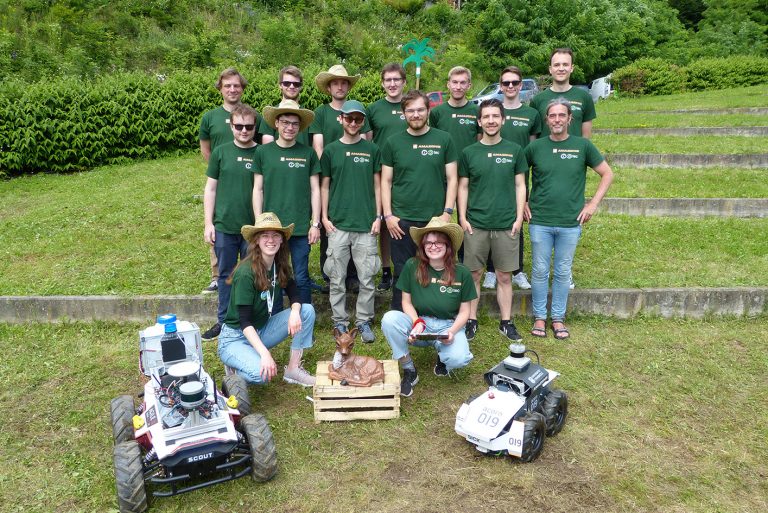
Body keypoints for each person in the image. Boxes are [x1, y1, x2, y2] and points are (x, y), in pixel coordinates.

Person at [524, 99, 613, 340]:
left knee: (563, 271)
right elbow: (519, 175)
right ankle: (540, 317)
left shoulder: (582, 146)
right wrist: (522, 202)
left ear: (569, 119)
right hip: (540, 220)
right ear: (546, 119)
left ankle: (558, 318)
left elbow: (607, 173)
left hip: (570, 222)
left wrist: (593, 204)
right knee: (540, 270)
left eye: (561, 115)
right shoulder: (535, 148)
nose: (557, 120)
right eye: (552, 116)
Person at [217, 212, 316, 386]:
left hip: (261, 329)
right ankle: (234, 368)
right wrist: (265, 354)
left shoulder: (279, 264)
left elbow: (294, 292)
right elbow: (244, 322)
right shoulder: (246, 272)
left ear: (281, 240)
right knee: (262, 375)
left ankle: (293, 369)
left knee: (306, 310)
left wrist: (294, 311)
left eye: (275, 235)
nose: (270, 240)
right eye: (265, 235)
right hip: (236, 337)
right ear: (256, 240)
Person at [381, 90, 458, 312]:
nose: (416, 114)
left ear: (428, 110)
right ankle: (400, 315)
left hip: (434, 219)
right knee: (403, 269)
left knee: (436, 266)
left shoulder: (444, 139)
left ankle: (436, 312)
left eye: (420, 110)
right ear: (403, 113)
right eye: (410, 110)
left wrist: (447, 212)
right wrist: (388, 215)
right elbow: (386, 181)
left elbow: (452, 178)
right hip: (401, 219)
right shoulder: (392, 142)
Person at [381, 218, 475, 397]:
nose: (433, 246)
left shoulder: (462, 272)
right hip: (420, 324)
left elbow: (465, 312)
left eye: (438, 242)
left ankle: (443, 357)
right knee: (389, 319)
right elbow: (406, 302)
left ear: (448, 246)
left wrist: (452, 332)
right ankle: (409, 368)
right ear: (423, 246)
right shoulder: (412, 266)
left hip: (448, 325)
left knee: (459, 359)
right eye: (429, 242)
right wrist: (417, 322)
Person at [457, 99, 527, 343]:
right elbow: (463, 186)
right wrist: (462, 217)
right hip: (475, 223)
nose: (491, 121)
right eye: (486, 117)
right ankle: (471, 320)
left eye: (495, 116)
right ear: (479, 121)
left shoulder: (514, 150)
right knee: (474, 275)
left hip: (507, 223)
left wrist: (519, 217)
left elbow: (520, 184)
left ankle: (506, 322)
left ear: (503, 119)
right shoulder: (468, 152)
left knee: (505, 276)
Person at [320, 100, 381, 343]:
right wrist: (324, 217)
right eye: (349, 118)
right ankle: (340, 323)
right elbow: (324, 185)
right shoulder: (331, 150)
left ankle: (364, 321)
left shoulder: (372, 150)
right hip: (338, 224)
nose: (353, 123)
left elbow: (378, 185)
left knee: (367, 278)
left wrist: (378, 217)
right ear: (341, 119)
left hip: (366, 225)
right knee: (337, 278)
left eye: (358, 119)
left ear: (363, 122)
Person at [309, 65, 372, 293]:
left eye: (344, 82)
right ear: (329, 87)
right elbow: (318, 146)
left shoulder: (358, 111)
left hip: (356, 173)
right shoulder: (321, 113)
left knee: (356, 225)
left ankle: (354, 275)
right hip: (331, 172)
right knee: (332, 225)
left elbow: (367, 140)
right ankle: (331, 274)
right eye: (335, 82)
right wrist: (326, 171)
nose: (339, 86)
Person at [253, 99, 320, 305]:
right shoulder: (263, 152)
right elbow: (258, 188)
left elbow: (315, 189)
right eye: (285, 122)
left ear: (299, 127)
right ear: (276, 124)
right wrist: (259, 223)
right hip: (272, 227)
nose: (289, 127)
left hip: (300, 226)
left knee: (300, 276)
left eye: (294, 123)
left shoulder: (307, 153)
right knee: (272, 274)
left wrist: (315, 223)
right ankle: (273, 318)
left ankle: (305, 320)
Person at [201, 103, 258, 342]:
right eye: (239, 126)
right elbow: (210, 189)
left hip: (252, 229)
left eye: (249, 126)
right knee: (225, 274)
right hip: (224, 225)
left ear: (255, 127)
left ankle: (251, 322)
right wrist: (208, 223)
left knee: (252, 275)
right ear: (231, 126)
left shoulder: (262, 152)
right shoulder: (221, 152)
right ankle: (224, 321)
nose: (244, 131)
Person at [199, 67, 250, 298]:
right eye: (227, 85)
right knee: (219, 226)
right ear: (220, 87)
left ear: (242, 88)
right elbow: (206, 149)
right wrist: (220, 170)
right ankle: (216, 276)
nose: (232, 89)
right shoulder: (210, 117)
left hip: (246, 178)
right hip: (220, 175)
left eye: (236, 85)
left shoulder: (250, 116)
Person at [499, 65, 542, 291]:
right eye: (506, 83)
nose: (511, 86)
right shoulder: (493, 111)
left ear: (521, 85)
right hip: (494, 175)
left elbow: (534, 149)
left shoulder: (531, 114)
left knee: (517, 222)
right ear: (500, 86)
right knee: (491, 223)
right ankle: (490, 269)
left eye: (515, 82)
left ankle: (517, 270)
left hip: (519, 176)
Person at [367, 62, 408, 291]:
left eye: (396, 79)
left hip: (407, 173)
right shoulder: (373, 109)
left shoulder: (411, 106)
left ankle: (409, 267)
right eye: (388, 80)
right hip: (383, 174)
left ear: (403, 82)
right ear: (382, 83)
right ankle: (386, 270)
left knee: (405, 222)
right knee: (383, 222)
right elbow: (368, 142)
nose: (392, 84)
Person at [258, 65, 311, 147]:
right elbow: (267, 151)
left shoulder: (308, 117)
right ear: (280, 85)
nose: (292, 86)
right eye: (287, 83)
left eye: (296, 84)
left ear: (300, 87)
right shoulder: (271, 115)